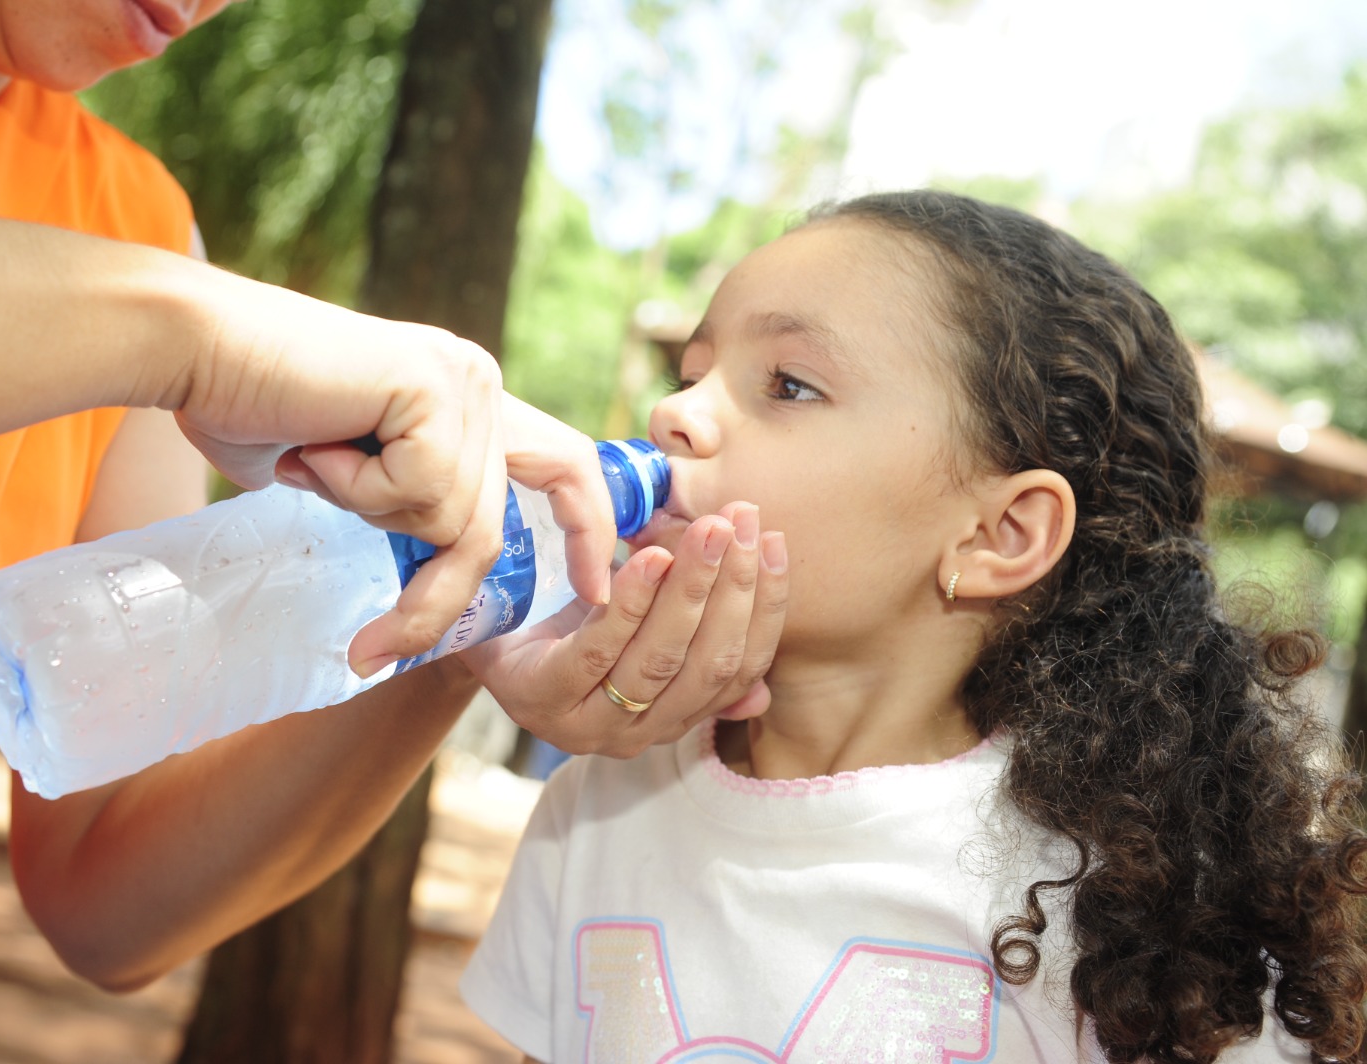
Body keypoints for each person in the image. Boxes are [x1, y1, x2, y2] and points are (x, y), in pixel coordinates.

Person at [0, 0, 790, 1059]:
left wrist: (447, 635)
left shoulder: (133, 230)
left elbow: (101, 905)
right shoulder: (158, 302)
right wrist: (197, 340)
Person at [459, 189, 1367, 1062]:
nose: (674, 415)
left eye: (788, 384)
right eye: (691, 375)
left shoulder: (1132, 915)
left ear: (998, 535)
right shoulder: (598, 804)